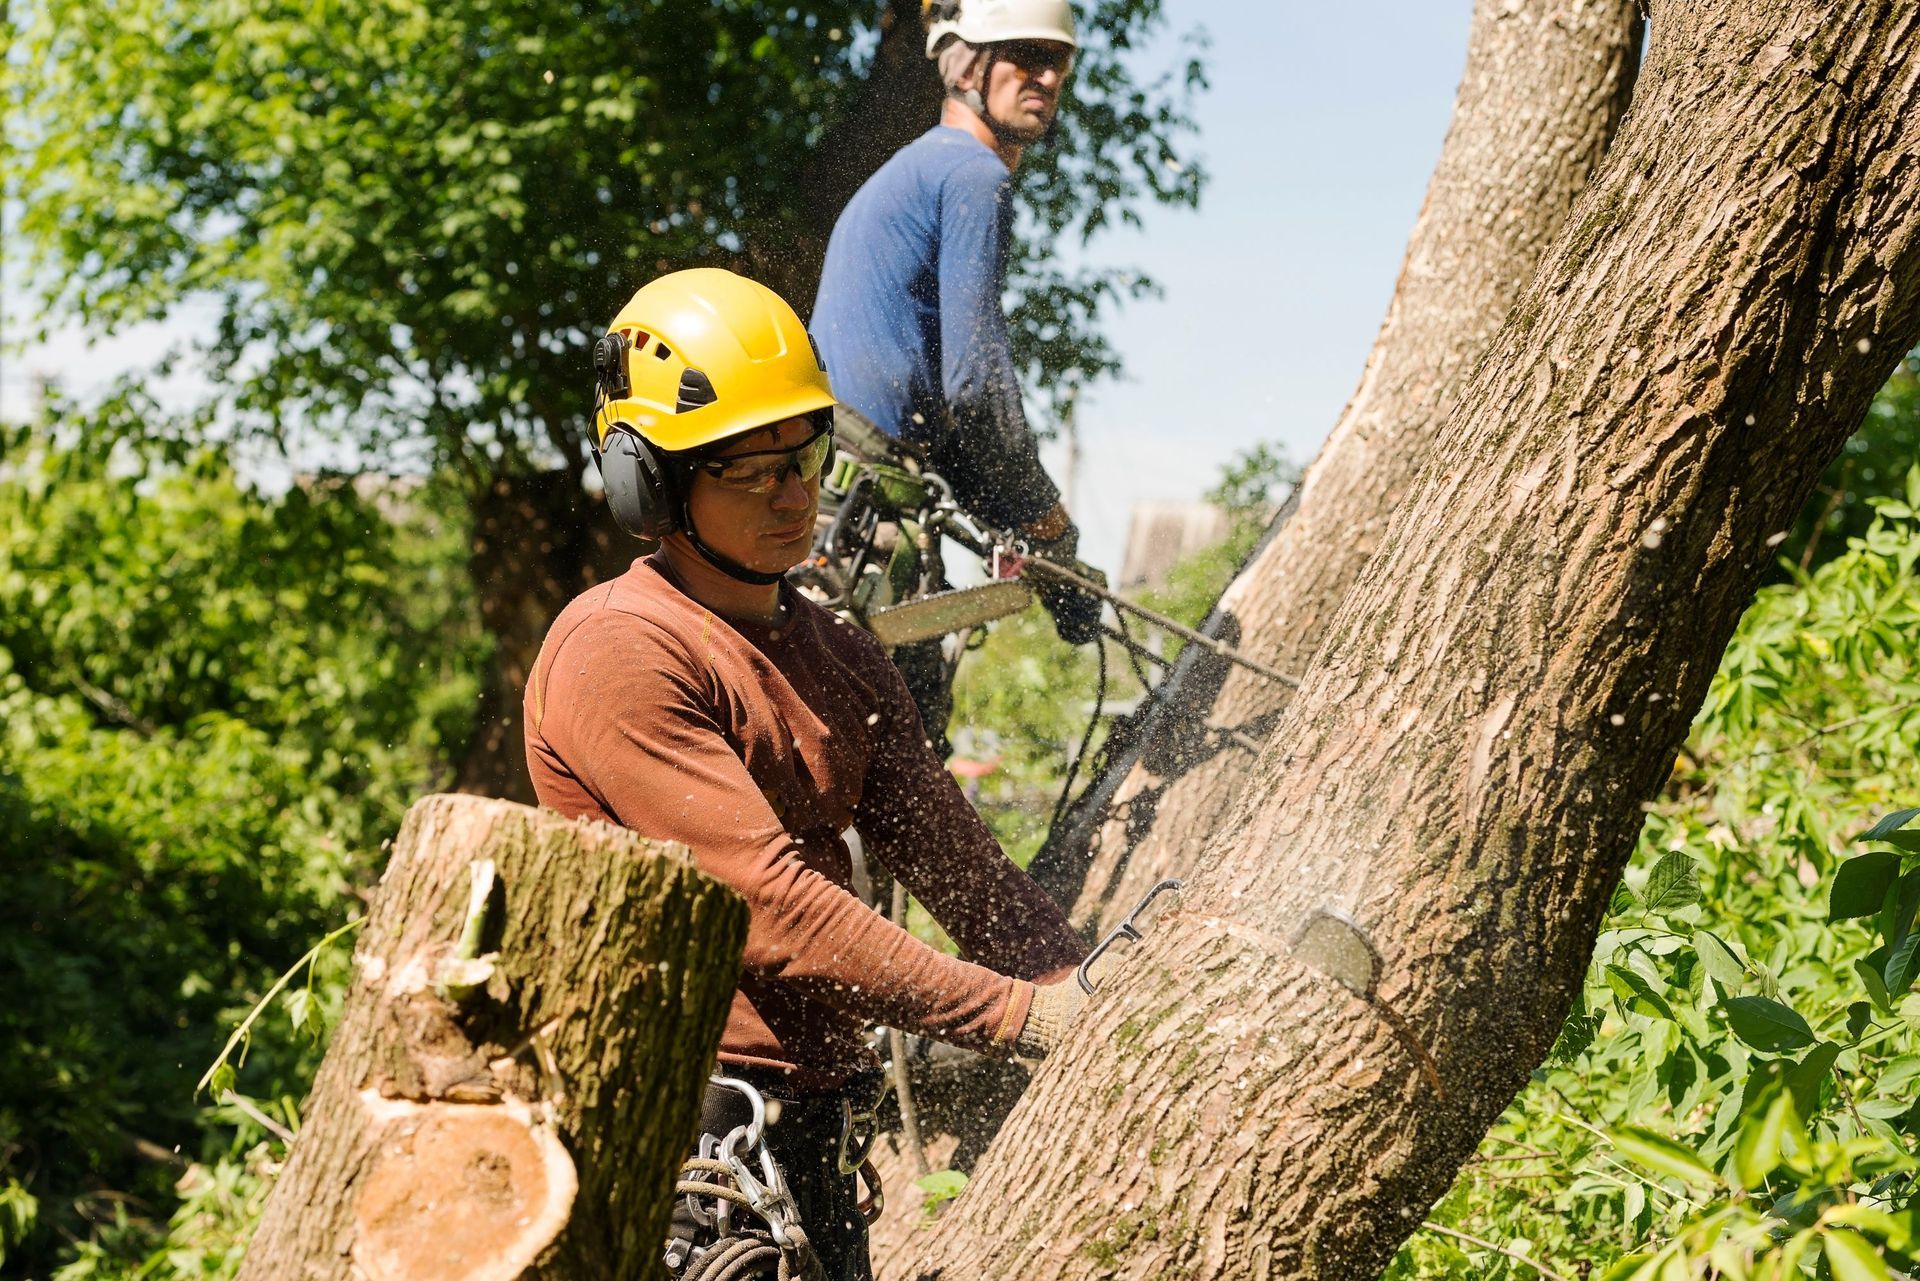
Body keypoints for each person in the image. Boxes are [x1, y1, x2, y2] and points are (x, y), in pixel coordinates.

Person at [523, 268, 1090, 1280]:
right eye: (749, 470)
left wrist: (1070, 972)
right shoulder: (621, 651)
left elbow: (948, 851)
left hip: (808, 1133)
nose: (794, 494)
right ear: (649, 480)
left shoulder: (835, 650)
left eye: (803, 456)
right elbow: (770, 906)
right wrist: (1018, 1017)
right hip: (679, 1141)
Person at [810, 0, 1105, 680]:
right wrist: (1051, 527)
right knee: (903, 747)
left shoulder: (919, 169)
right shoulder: (975, 175)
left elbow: (949, 430)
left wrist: (1031, 537)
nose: (1047, 77)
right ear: (971, 63)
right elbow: (978, 391)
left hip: (843, 493)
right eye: (1025, 55)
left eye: (1056, 59)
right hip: (865, 512)